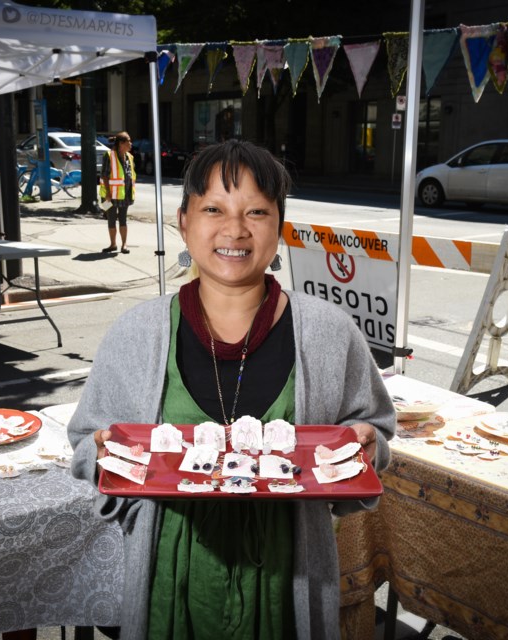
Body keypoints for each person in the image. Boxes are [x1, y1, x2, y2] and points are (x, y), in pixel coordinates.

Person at [67, 139, 396, 640]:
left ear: (279, 226)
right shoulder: (137, 333)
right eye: (214, 208)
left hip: (291, 580)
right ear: (184, 221)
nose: (235, 230)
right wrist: (108, 460)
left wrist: (367, 446)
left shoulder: (330, 332)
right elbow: (89, 440)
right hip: (170, 578)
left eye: (257, 211)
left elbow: (372, 426)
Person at [99, 131, 136, 254]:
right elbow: (104, 175)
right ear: (121, 143)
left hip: (124, 194)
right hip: (110, 195)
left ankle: (124, 245)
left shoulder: (130, 157)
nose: (131, 143)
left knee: (123, 219)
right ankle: (113, 244)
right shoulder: (109, 155)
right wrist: (108, 193)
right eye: (128, 141)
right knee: (111, 219)